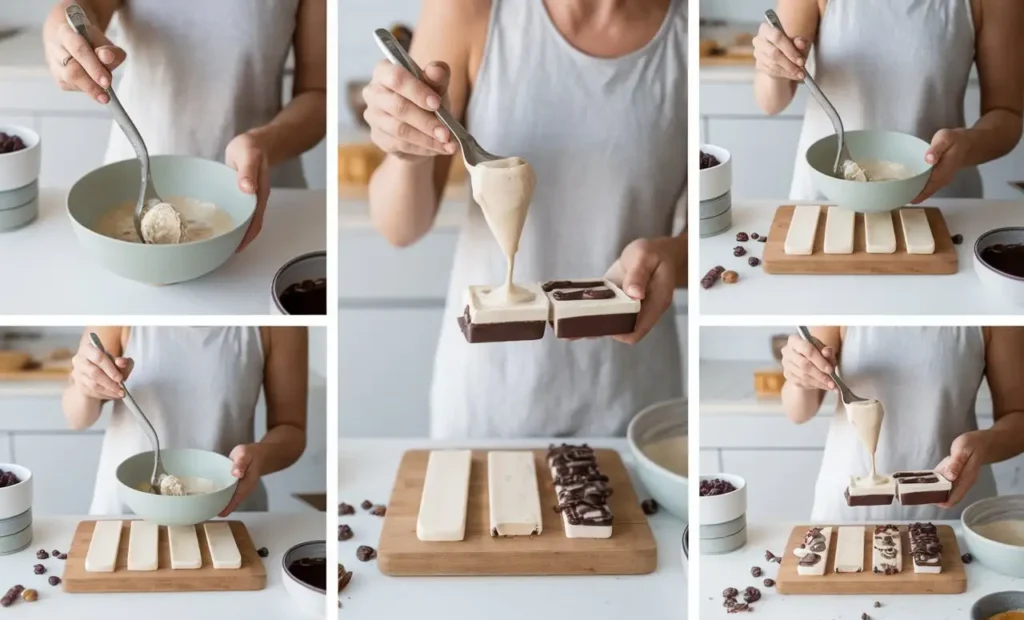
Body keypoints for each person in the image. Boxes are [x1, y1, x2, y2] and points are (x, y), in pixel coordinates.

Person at [363, 0, 688, 438]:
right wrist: (406, 153)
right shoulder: (469, 10)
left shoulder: (689, 34)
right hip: (491, 401)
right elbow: (399, 226)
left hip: (631, 404)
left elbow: (718, 233)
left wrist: (675, 257)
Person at [42, 0, 327, 250]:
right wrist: (62, 29)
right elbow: (81, 7)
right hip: (130, 181)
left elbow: (318, 93)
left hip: (262, 196)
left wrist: (264, 143)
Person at [753, 0, 1024, 202]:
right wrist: (772, 64)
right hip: (829, 196)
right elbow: (771, 101)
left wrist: (967, 145)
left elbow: (1006, 114)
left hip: (938, 201)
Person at [781, 326, 1024, 521]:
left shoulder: (990, 306)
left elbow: (1017, 415)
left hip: (953, 513)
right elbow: (798, 411)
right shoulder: (844, 297)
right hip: (848, 513)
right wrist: (799, 378)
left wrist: (983, 445)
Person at [62, 326, 308, 516]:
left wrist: (261, 456)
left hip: (226, 512)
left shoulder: (279, 320)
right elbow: (76, 417)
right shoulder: (121, 311)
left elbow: (291, 430)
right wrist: (86, 388)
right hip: (125, 512)